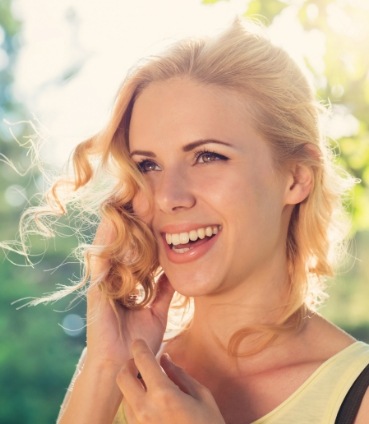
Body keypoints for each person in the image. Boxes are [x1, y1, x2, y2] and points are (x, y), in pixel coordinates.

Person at [25, 19, 369, 423]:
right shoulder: (121, 381)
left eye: (208, 156)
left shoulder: (357, 394)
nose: (169, 197)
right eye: (148, 165)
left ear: (296, 178)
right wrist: (103, 367)